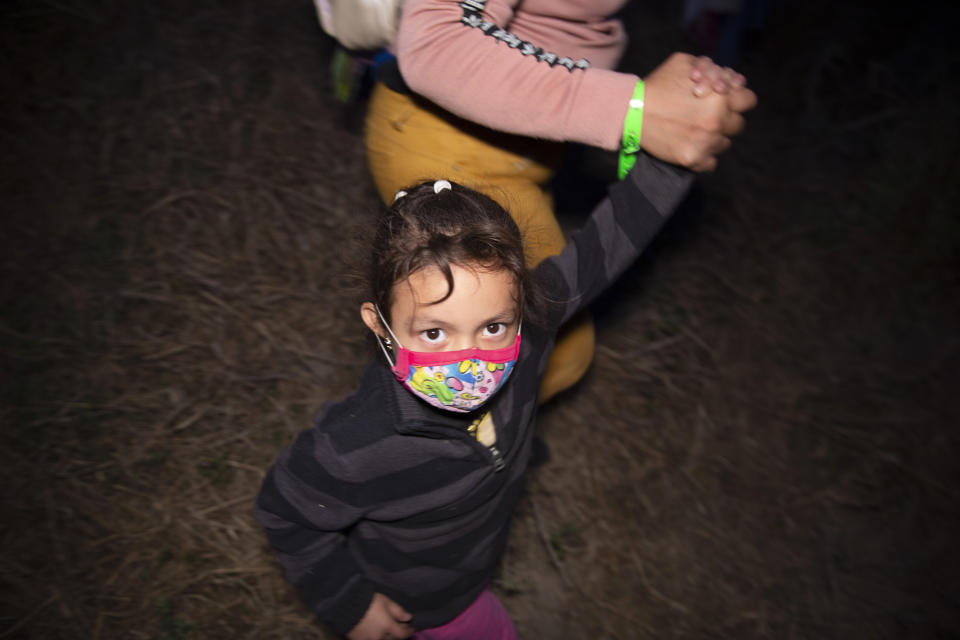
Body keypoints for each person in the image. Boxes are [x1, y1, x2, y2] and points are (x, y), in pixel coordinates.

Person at [256, 144, 702, 638]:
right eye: (434, 333)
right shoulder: (356, 444)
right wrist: (349, 604)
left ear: (523, 305)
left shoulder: (531, 326)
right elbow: (284, 508)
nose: (469, 363)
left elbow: (604, 247)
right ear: (380, 326)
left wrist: (673, 157)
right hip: (427, 605)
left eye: (492, 328)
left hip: (477, 558)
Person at [364, 0, 757, 403]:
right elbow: (436, 41)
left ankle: (495, 446)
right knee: (541, 354)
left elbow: (596, 257)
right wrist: (632, 109)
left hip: (528, 143)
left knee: (546, 343)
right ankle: (461, 451)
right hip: (444, 142)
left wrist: (671, 133)